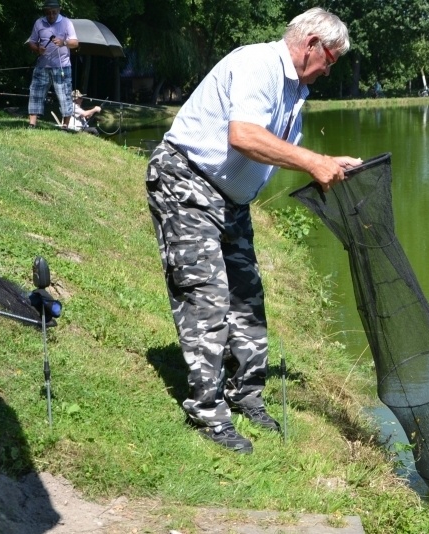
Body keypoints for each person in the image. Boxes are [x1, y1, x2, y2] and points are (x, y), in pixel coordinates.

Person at [145, 7, 362, 454]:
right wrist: (311, 161)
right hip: (186, 180)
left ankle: (245, 395)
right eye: (332, 59)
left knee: (247, 298)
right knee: (206, 295)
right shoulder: (258, 64)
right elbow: (243, 136)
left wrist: (325, 162)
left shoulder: (295, 88)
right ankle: (207, 413)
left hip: (231, 201)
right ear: (312, 46)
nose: (329, 69)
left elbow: (275, 150)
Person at [26, 0, 78, 129]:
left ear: (59, 11)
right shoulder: (39, 23)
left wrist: (63, 42)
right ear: (45, 12)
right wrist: (37, 49)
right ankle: (32, 124)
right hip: (42, 66)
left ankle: (65, 127)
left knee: (64, 95)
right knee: (36, 93)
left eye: (54, 12)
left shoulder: (66, 23)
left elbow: (75, 43)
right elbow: (31, 42)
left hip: (62, 66)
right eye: (48, 13)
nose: (51, 15)